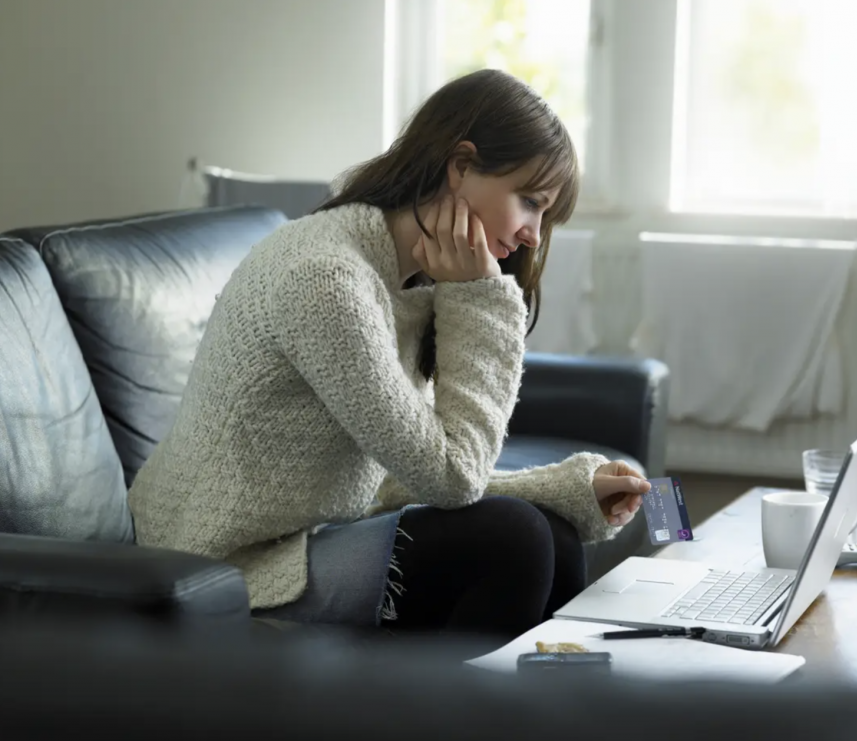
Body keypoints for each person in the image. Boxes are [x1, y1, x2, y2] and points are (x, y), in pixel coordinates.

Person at [127, 69, 651, 641]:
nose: (533, 234)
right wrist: (480, 297)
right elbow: (454, 479)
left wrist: (570, 490)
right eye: (530, 202)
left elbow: (399, 478)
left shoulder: (406, 281)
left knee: (555, 531)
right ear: (461, 166)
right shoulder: (327, 280)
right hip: (223, 566)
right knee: (513, 539)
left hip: (312, 536)